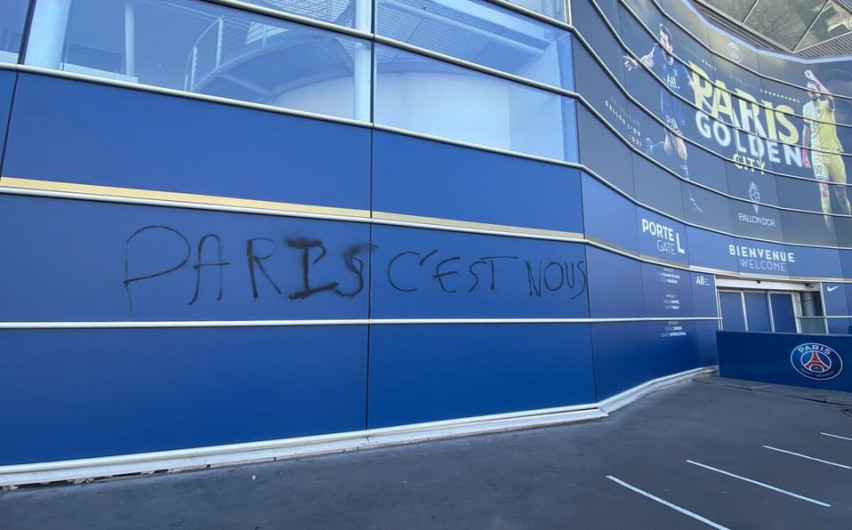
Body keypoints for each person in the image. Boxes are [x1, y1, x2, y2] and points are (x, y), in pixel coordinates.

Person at [624, 24, 702, 213]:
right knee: (682, 152)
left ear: (671, 46)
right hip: (666, 110)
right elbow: (648, 60)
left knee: (669, 148)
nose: (661, 42)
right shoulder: (657, 51)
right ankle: (689, 199)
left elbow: (694, 89)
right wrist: (636, 62)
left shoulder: (680, 68)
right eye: (660, 38)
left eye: (664, 39)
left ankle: (653, 148)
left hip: (678, 112)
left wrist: (711, 110)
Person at [802, 69, 851, 229]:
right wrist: (805, 154)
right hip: (818, 154)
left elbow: (831, 98)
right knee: (823, 190)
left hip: (834, 154)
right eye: (809, 89)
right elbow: (806, 130)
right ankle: (829, 232)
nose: (812, 91)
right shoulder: (806, 108)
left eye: (814, 89)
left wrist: (814, 79)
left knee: (841, 195)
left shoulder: (827, 105)